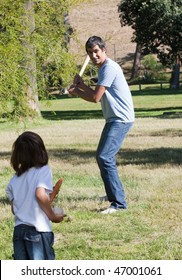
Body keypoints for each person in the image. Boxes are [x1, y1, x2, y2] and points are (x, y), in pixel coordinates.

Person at [68, 36, 135, 214]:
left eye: (96, 51)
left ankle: (118, 204)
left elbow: (95, 98)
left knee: (105, 157)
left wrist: (76, 92)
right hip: (114, 118)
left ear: (104, 50)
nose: (93, 55)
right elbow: (99, 92)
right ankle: (113, 193)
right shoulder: (104, 68)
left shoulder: (109, 68)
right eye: (90, 53)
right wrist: (81, 86)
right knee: (102, 156)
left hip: (120, 119)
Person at [5, 131, 65, 260]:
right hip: (38, 231)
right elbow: (39, 194)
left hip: (19, 232)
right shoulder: (43, 170)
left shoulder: (14, 179)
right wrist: (52, 215)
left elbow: (14, 209)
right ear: (41, 151)